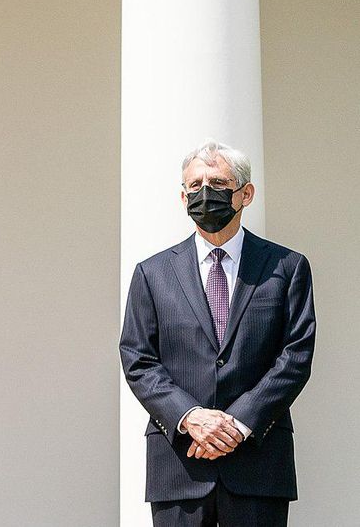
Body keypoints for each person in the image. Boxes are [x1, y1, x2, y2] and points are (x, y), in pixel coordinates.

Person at [120, 141, 314, 527]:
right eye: (195, 185)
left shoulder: (287, 267)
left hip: (258, 465)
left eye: (218, 182)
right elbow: (138, 359)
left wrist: (237, 424)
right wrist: (191, 417)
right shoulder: (152, 273)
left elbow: (295, 356)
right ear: (182, 196)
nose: (205, 194)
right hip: (180, 466)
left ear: (246, 193)